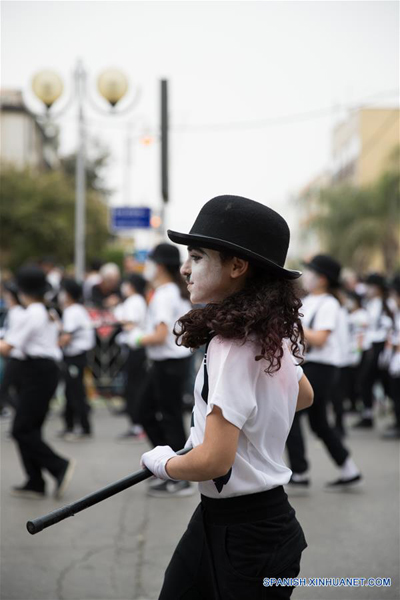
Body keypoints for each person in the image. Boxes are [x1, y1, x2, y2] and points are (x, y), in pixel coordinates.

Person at [140, 195, 312, 599]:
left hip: (246, 537)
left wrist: (163, 462)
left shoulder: (232, 343)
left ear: (237, 266)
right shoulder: (270, 335)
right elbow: (301, 396)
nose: (184, 269)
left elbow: (214, 461)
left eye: (197, 257)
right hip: (236, 523)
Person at [286, 254, 362, 492]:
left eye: (311, 272)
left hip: (320, 366)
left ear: (323, 279)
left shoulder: (328, 303)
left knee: (291, 415)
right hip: (311, 365)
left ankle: (299, 472)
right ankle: (348, 468)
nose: (306, 276)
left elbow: (320, 338)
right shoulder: (311, 301)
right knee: (319, 423)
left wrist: (292, 324)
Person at [0, 265, 75, 499]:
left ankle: (58, 465)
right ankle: (35, 481)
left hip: (38, 372)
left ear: (20, 290)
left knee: (21, 429)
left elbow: (7, 348)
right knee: (29, 428)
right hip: (37, 371)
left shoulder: (33, 312)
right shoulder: (42, 310)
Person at [136, 243, 193, 496]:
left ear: (158, 265)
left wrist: (136, 339)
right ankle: (167, 467)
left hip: (168, 362)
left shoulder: (164, 294)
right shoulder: (174, 292)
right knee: (146, 411)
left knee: (167, 417)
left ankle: (180, 476)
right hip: (171, 363)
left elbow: (160, 335)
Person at [354, 273, 394, 428]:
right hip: (369, 346)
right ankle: (367, 415)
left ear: (377, 288)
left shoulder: (387, 303)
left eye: (371, 286)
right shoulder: (370, 303)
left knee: (384, 382)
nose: (368, 290)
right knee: (365, 381)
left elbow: (389, 326)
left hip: (381, 345)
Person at [58, 278, 96, 440]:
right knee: (70, 391)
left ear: (68, 294)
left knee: (76, 392)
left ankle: (82, 427)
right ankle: (70, 425)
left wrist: (52, 347)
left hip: (75, 356)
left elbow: (66, 337)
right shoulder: (77, 310)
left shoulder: (72, 311)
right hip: (76, 356)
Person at [114, 273, 148, 440]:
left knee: (134, 387)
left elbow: (130, 323)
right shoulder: (136, 300)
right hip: (133, 347)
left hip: (135, 347)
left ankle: (137, 425)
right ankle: (136, 424)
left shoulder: (134, 301)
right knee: (133, 385)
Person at [0, 281, 26, 416]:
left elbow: (13, 338)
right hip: (13, 355)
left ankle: (24, 417)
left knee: (5, 389)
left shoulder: (17, 313)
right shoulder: (12, 312)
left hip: (17, 356)